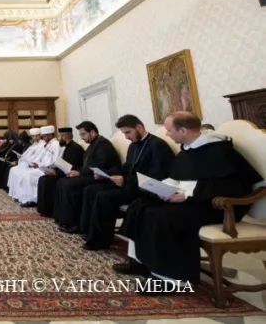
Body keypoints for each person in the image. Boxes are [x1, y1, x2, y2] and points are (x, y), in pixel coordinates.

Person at [114, 112, 261, 291]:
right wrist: (163, 188)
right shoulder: (189, 149)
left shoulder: (218, 151)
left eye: (169, 130)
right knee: (140, 205)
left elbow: (234, 186)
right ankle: (138, 260)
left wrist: (187, 195)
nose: (167, 134)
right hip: (193, 200)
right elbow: (179, 177)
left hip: (215, 206)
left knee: (162, 216)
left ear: (183, 130)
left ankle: (172, 280)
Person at [81, 115, 175, 250]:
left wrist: (124, 180)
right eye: (124, 133)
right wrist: (107, 173)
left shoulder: (157, 146)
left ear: (139, 127)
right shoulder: (133, 146)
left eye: (128, 132)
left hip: (144, 190)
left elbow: (157, 176)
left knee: (104, 196)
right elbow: (126, 167)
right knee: (91, 189)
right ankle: (90, 232)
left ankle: (101, 240)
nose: (126, 137)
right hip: (130, 184)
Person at [53, 121, 121, 233]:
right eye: (80, 134)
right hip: (89, 174)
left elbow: (100, 165)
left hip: (100, 178)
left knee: (69, 185)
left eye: (83, 134)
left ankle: (74, 223)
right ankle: (62, 218)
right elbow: (87, 165)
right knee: (62, 181)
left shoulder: (103, 144)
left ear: (93, 132)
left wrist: (79, 173)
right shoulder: (93, 144)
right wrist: (77, 171)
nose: (81, 137)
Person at [37, 127, 85, 216]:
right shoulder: (67, 147)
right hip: (62, 172)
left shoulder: (75, 148)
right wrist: (53, 168)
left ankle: (50, 211)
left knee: (47, 181)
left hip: (69, 174)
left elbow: (72, 167)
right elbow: (62, 162)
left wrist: (56, 172)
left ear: (64, 136)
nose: (58, 138)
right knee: (43, 179)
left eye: (59, 136)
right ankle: (45, 210)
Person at [11, 126, 61, 206]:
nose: (43, 138)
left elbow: (54, 160)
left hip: (47, 169)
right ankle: (26, 198)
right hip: (41, 167)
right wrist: (37, 163)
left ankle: (33, 200)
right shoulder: (48, 144)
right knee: (26, 175)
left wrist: (42, 165)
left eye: (44, 136)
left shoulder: (56, 144)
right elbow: (41, 157)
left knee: (28, 176)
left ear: (50, 135)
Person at [7, 128, 44, 200]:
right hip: (27, 163)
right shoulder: (33, 145)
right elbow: (27, 155)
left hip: (34, 166)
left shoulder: (43, 145)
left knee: (23, 174)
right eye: (33, 136)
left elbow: (38, 157)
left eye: (36, 136)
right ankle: (17, 195)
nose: (34, 138)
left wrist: (29, 161)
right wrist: (21, 156)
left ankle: (27, 198)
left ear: (40, 135)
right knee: (13, 170)